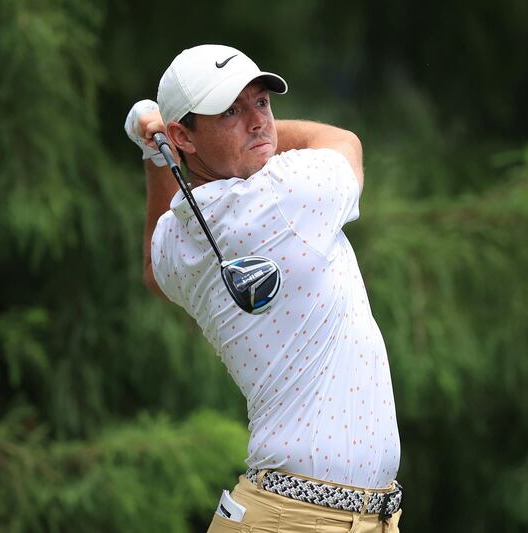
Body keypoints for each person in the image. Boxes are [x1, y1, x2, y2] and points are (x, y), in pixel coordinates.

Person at [125, 44, 403, 533]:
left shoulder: (178, 240)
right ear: (183, 136)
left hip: (338, 518)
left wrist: (156, 154)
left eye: (262, 103)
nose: (258, 122)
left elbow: (153, 268)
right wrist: (171, 143)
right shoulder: (288, 193)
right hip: (294, 521)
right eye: (230, 110)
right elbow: (342, 141)